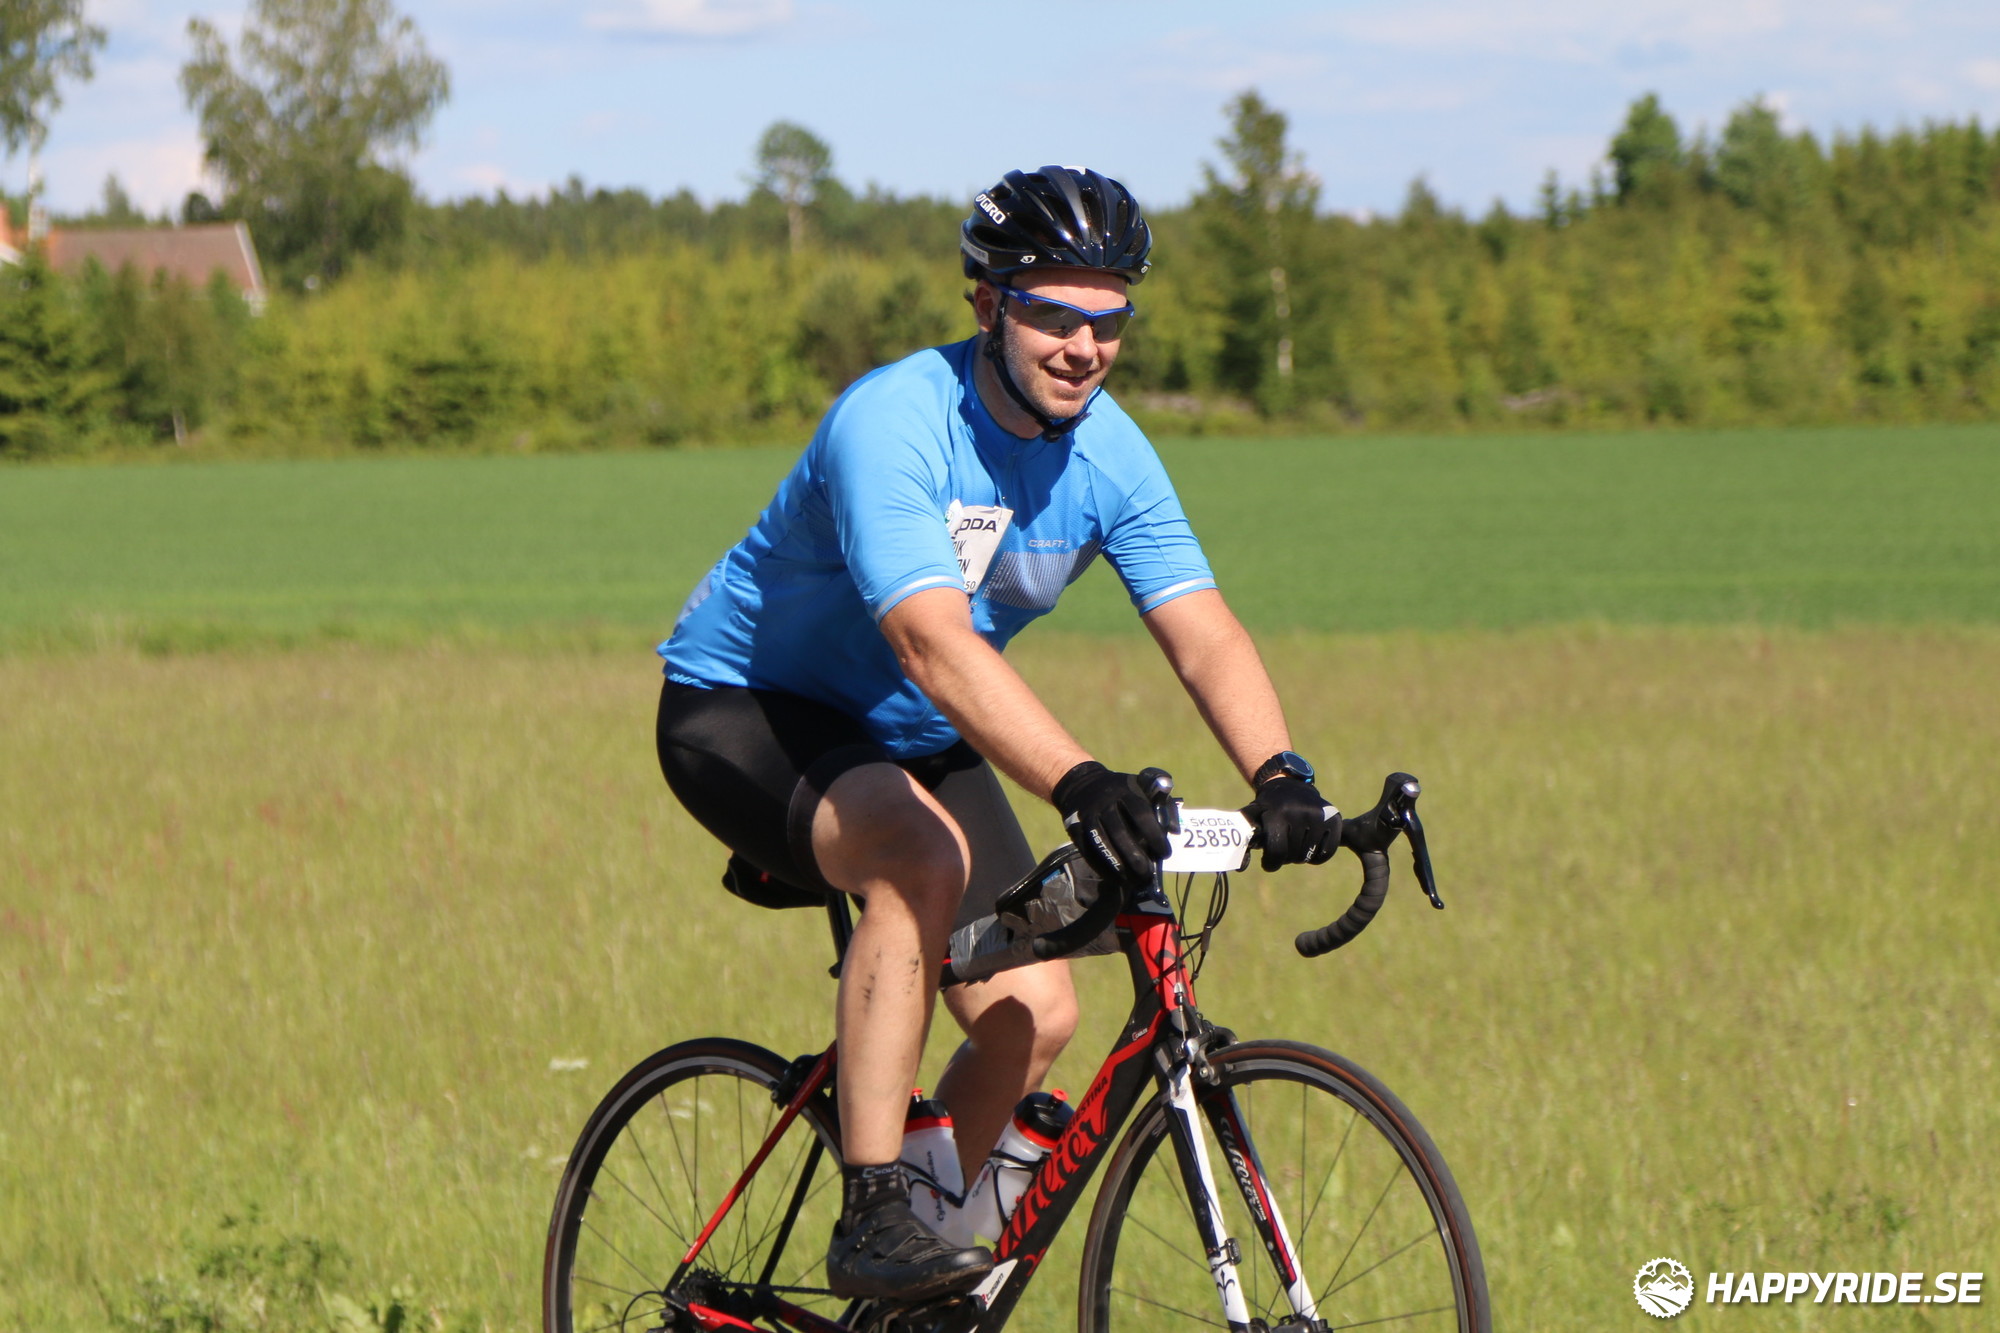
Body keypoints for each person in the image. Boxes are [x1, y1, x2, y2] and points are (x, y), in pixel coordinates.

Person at [653, 165, 1342, 1303]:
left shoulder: (1111, 454)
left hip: (919, 730)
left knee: (1038, 1010)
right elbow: (929, 639)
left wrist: (1280, 773)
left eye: (1108, 320)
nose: (1083, 347)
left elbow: (1203, 629)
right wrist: (1078, 780)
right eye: (1053, 315)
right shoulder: (893, 421)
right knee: (916, 857)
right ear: (987, 304)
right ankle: (873, 1210)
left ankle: (915, 1283)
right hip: (751, 705)